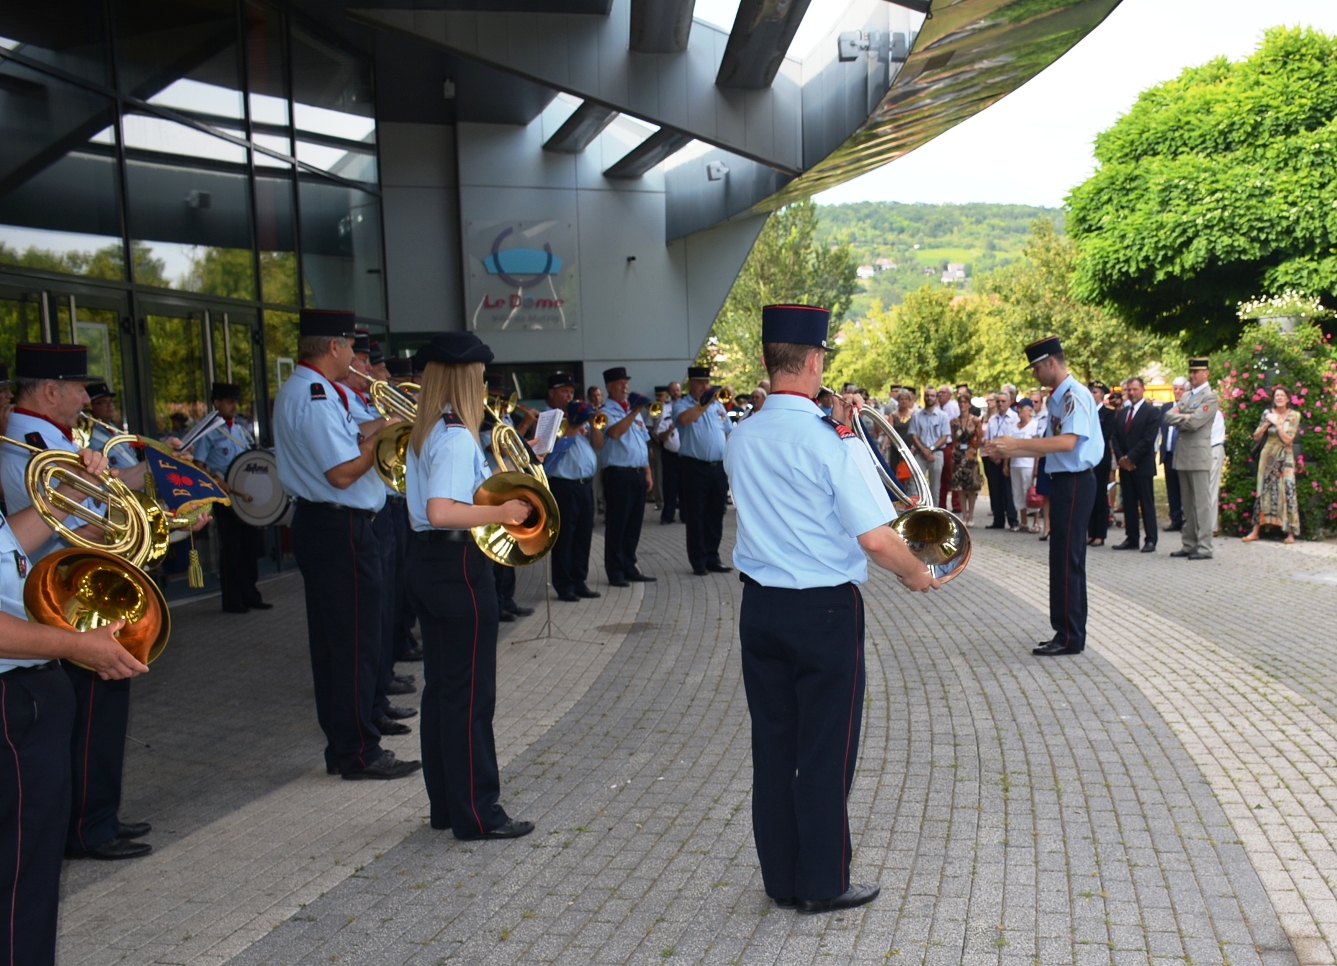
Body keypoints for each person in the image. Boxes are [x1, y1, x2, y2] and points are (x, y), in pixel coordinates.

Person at [725, 303, 940, 914]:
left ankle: (781, 877)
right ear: (815, 361)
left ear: (769, 362)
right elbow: (874, 537)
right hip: (823, 612)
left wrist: (842, 428)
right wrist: (917, 574)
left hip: (760, 608)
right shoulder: (827, 442)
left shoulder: (743, 433)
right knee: (825, 748)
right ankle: (821, 882)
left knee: (774, 746)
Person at [1, 343, 159, 862]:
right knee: (87, 724)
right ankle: (89, 826)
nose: (87, 399)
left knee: (100, 720)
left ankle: (97, 817)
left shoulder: (57, 441)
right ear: (51, 390)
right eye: (79, 389)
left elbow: (39, 527)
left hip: (64, 608)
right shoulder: (25, 447)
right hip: (58, 606)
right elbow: (59, 541)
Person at [0, 445, 150, 966]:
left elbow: (5, 547)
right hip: (10, 699)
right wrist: (74, 645)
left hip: (26, 694)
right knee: (21, 888)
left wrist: (70, 494)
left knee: (29, 876)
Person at [273, 309, 421, 780]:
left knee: (343, 642)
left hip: (334, 527)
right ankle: (358, 750)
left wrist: (383, 423)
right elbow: (340, 472)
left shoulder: (315, 391)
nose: (355, 356)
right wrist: (382, 440)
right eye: (349, 347)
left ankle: (348, 743)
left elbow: (351, 436)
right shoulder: (314, 395)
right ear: (333, 347)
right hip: (339, 526)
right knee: (353, 643)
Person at [404, 332, 534, 840]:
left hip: (429, 564)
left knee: (443, 690)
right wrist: (503, 511)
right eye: (480, 375)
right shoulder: (457, 435)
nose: (484, 384)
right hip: (456, 563)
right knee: (470, 695)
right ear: (466, 377)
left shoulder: (430, 428)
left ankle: (448, 804)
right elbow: (442, 511)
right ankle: (478, 813)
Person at [983, 337, 1104, 656]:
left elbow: (1067, 443)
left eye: (1037, 367)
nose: (1034, 374)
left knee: (1068, 558)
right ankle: (1065, 631)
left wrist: (1016, 446)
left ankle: (1069, 636)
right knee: (1062, 557)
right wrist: (1008, 447)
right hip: (1064, 479)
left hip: (1076, 479)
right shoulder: (1059, 397)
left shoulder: (1074, 395)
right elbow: (1049, 442)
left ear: (1051, 362)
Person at [191, 383, 271, 612]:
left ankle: (251, 594)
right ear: (216, 403)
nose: (234, 406)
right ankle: (232, 599)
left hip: (245, 496)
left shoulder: (241, 430)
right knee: (232, 549)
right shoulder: (208, 432)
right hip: (225, 496)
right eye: (228, 401)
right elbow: (199, 466)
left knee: (249, 547)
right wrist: (215, 481)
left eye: (235, 401)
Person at [674, 365, 734, 576]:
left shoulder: (717, 406)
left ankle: (713, 556)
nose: (705, 386)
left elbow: (728, 432)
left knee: (715, 513)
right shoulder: (682, 405)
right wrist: (703, 404)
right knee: (696, 515)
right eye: (700, 383)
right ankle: (698, 560)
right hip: (694, 467)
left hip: (717, 468)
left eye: (707, 383)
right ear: (691, 384)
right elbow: (683, 420)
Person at [599, 367, 655, 586]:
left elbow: (643, 442)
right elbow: (614, 433)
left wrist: (648, 471)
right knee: (617, 524)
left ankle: (629, 566)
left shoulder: (632, 412)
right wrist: (633, 412)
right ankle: (615, 571)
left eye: (626, 383)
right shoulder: (605, 411)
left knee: (633, 524)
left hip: (638, 473)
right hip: (618, 474)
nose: (625, 387)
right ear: (610, 387)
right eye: (621, 384)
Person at [384, 357, 423, 663]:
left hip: (404, 501)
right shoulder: (381, 409)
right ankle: (397, 642)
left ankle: (404, 635)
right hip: (387, 504)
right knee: (393, 583)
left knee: (406, 578)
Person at [1162, 358, 1219, 561]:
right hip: (1183, 454)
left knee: (1202, 503)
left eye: (1197, 372)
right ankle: (1189, 543)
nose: (1192, 375)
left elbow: (1195, 423)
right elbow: (1167, 417)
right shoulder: (1187, 395)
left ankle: (1205, 546)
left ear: (1206, 373)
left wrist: (1184, 416)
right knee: (1187, 503)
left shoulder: (1210, 397)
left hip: (1198, 454)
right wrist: (1185, 416)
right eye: (1191, 372)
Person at [548, 399, 604, 601]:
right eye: (565, 391)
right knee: (565, 537)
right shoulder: (555, 424)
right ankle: (564, 585)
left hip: (585, 485)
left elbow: (599, 444)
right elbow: (554, 452)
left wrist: (592, 422)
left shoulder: (584, 426)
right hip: (565, 486)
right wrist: (574, 425)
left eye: (572, 391)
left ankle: (580, 581)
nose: (569, 395)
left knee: (583, 536)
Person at [1243, 385, 1302, 544]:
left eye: (1282, 395)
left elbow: (1288, 439)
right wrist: (1266, 424)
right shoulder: (1267, 414)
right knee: (1263, 489)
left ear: (1288, 398)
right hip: (1268, 456)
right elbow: (1256, 437)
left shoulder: (1294, 416)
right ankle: (1256, 530)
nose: (1279, 398)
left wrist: (1278, 424)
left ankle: (1290, 532)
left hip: (1285, 456)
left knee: (1287, 490)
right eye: (1277, 396)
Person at [1110, 376, 1160, 553]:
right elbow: (1115, 436)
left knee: (1146, 503)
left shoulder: (1151, 412)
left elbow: (1148, 440)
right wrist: (1122, 459)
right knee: (1129, 503)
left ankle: (1151, 539)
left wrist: (1131, 458)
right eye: (1128, 390)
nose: (1131, 393)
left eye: (1135, 389)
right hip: (1125, 466)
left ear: (1143, 389)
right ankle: (1131, 537)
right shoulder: (1123, 413)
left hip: (1142, 466)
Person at [83, 381, 139, 473]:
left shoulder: (116, 430)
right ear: (90, 406)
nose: (109, 406)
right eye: (102, 402)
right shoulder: (88, 436)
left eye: (111, 401)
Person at [983, 390, 1019, 529]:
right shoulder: (992, 419)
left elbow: (1013, 439)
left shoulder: (1014, 418)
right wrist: (992, 454)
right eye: (998, 401)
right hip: (993, 456)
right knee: (995, 489)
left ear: (1009, 402)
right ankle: (998, 520)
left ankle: (1012, 519)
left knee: (1008, 489)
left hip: (1007, 457)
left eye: (1003, 401)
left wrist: (1003, 456)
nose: (1000, 404)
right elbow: (988, 439)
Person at [908, 388, 950, 505]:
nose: (929, 398)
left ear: (936, 398)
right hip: (920, 453)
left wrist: (931, 449)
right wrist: (923, 450)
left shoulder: (943, 416)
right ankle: (914, 513)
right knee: (914, 483)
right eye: (927, 395)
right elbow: (914, 435)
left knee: (935, 486)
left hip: (936, 453)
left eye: (932, 396)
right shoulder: (916, 416)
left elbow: (944, 437)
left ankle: (934, 514)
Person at [949, 392, 983, 526]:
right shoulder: (954, 422)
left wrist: (974, 450)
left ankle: (971, 515)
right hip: (958, 455)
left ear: (969, 404)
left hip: (971, 455)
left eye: (965, 402)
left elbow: (979, 437)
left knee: (971, 487)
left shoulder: (975, 420)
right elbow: (953, 439)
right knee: (960, 487)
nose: (962, 405)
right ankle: (964, 515)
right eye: (960, 402)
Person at [1088, 381, 1114, 547]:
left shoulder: (1108, 413)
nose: (1092, 395)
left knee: (1100, 496)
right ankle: (1091, 533)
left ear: (1102, 395)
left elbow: (1106, 435)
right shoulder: (1086, 412)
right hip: (1086, 458)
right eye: (1090, 391)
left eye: (1095, 392)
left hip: (1100, 458)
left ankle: (1100, 534)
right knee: (1089, 496)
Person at [1159, 377, 1187, 533]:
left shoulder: (1189, 407)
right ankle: (1175, 519)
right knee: (1172, 488)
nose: (1177, 392)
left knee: (1185, 487)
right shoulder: (1166, 408)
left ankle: (1186, 520)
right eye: (1175, 389)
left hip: (1183, 453)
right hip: (1169, 452)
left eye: (1181, 389)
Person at [1009, 398, 1042, 532]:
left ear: (1029, 410)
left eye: (1022, 407)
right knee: (1018, 492)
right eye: (1018, 407)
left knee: (1030, 492)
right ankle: (1023, 521)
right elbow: (1009, 445)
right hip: (1014, 463)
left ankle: (1036, 522)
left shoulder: (1034, 425)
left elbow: (1037, 448)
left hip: (1028, 464)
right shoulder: (1014, 426)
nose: (1019, 410)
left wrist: (1036, 467)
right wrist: (1006, 463)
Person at [657, 381, 682, 524]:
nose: (675, 393)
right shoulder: (664, 409)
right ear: (668, 393)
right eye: (672, 391)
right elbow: (660, 435)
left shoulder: (687, 407)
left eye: (677, 390)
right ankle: (668, 515)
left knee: (686, 486)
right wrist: (670, 429)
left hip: (686, 454)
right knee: (669, 486)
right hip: (670, 454)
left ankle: (685, 515)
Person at [1208, 404, 1226, 536]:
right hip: (1200, 451)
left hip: (1212, 449)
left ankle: (1211, 526)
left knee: (1211, 489)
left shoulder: (1214, 413)